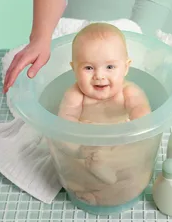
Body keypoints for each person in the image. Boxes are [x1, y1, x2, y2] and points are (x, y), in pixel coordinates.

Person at [3, 0, 172, 93]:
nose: (99, 76)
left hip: (151, 21)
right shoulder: (74, 94)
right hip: (79, 19)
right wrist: (41, 36)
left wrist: (140, 48)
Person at [52, 22, 153, 205]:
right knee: (72, 164)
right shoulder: (75, 95)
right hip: (87, 146)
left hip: (120, 141)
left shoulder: (129, 91)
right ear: (74, 68)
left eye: (110, 67)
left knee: (135, 162)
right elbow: (65, 122)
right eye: (88, 68)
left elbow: (141, 111)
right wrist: (79, 149)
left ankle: (107, 188)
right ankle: (91, 188)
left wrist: (135, 127)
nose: (99, 75)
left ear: (126, 67)